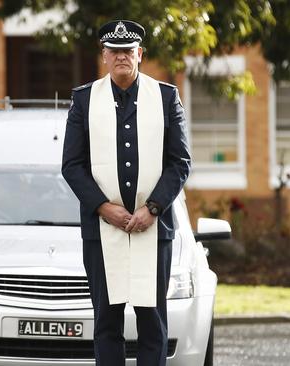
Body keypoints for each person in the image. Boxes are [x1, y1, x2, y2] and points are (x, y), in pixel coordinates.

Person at [61, 20, 191, 366]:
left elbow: (180, 162)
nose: (121, 56)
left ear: (140, 54)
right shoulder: (84, 99)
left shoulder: (165, 97)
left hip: (153, 227)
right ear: (104, 56)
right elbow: (72, 165)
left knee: (152, 319)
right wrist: (104, 207)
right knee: (107, 319)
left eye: (128, 50)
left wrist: (154, 207)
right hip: (103, 230)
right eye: (114, 51)